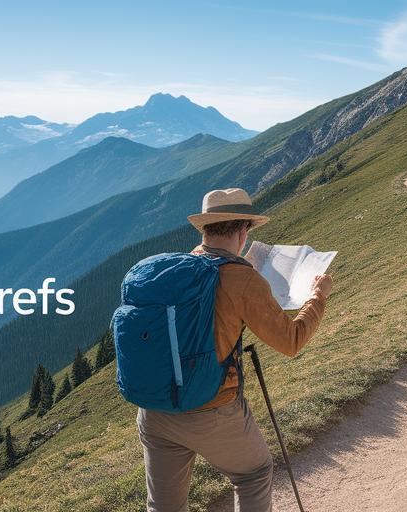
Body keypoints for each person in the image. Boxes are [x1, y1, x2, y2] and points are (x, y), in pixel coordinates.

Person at [136, 188, 333, 512]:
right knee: (253, 474)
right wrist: (318, 297)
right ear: (243, 230)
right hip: (210, 409)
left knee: (164, 507)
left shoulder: (180, 268)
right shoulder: (242, 279)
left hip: (155, 409)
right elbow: (292, 341)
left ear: (205, 229)